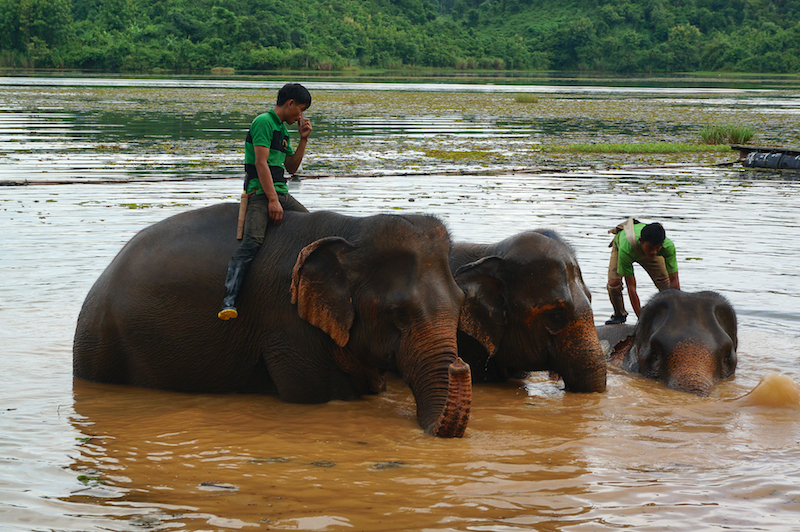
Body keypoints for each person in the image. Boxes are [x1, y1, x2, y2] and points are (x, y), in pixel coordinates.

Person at [218, 83, 313, 320]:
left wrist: (303, 140)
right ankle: (229, 300)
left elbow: (290, 167)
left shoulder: (281, 129)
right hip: (260, 193)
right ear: (290, 103)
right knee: (252, 242)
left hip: (282, 192)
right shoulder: (264, 122)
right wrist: (272, 200)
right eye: (300, 110)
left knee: (312, 228)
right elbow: (261, 163)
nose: (300, 116)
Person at [605, 218, 680, 325]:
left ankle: (666, 314)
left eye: (657, 248)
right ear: (641, 241)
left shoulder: (667, 247)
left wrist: (677, 312)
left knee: (666, 285)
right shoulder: (626, 249)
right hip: (626, 247)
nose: (653, 251)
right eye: (650, 247)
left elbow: (674, 281)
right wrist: (641, 319)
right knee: (614, 283)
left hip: (644, 248)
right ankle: (619, 315)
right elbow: (631, 287)